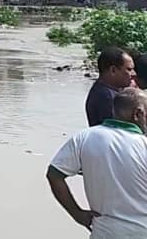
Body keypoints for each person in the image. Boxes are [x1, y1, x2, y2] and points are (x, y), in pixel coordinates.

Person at [48, 87, 147, 237]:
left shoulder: (84, 137)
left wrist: (77, 213)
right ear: (138, 114)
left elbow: (54, 174)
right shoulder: (143, 144)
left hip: (104, 232)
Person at [86, 47, 136, 127]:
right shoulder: (106, 96)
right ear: (113, 70)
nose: (134, 74)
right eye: (129, 69)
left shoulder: (105, 90)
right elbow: (117, 130)